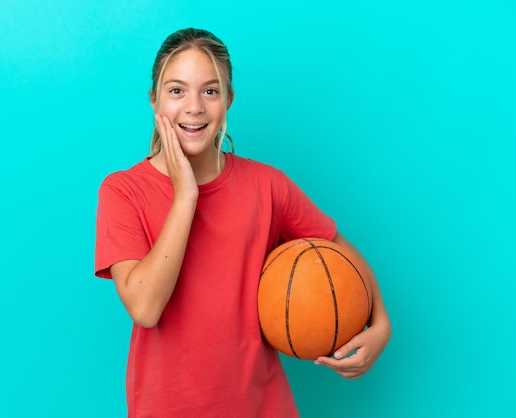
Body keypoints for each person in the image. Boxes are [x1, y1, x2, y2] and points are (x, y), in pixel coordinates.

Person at [95, 27, 391, 417]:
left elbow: (340, 252)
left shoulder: (267, 186)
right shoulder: (123, 191)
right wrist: (186, 195)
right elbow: (146, 308)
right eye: (177, 90)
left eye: (211, 90)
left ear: (229, 100)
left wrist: (381, 325)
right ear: (155, 101)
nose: (195, 106)